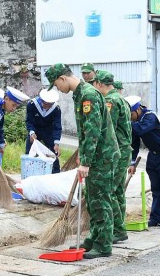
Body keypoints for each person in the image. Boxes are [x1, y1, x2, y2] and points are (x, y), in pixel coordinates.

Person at [46, 63, 119, 259]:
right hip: (96, 156)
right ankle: (94, 238)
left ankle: (103, 245)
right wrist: (83, 154)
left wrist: (86, 162)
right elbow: (86, 131)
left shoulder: (88, 95)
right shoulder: (80, 93)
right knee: (93, 200)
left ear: (63, 78)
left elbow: (93, 130)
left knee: (101, 200)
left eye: (56, 84)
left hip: (102, 157)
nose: (58, 90)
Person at [125, 97, 160, 229]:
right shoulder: (135, 122)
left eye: (131, 115)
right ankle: (156, 218)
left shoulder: (150, 117)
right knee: (156, 189)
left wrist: (122, 122)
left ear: (138, 109)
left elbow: (139, 129)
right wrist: (132, 163)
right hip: (153, 155)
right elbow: (134, 144)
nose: (130, 118)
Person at [93, 71, 132, 243]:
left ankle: (118, 229)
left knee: (109, 190)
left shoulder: (110, 101)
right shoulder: (122, 99)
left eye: (95, 84)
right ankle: (120, 224)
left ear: (100, 84)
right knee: (117, 190)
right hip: (125, 150)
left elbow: (110, 129)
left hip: (117, 151)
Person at [25, 88, 62, 174]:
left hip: (48, 131)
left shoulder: (56, 109)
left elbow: (57, 126)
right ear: (41, 100)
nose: (46, 106)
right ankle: (29, 172)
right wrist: (31, 132)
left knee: (53, 154)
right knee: (29, 152)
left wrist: (56, 143)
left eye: (49, 104)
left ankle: (55, 174)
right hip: (35, 130)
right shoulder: (31, 104)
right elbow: (29, 121)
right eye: (44, 103)